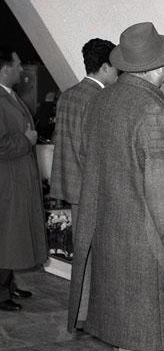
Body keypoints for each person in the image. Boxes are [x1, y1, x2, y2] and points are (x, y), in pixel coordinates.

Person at [67, 22, 164, 351]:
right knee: (158, 340)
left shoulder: (103, 101)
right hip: (151, 250)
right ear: (156, 66)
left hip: (115, 242)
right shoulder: (155, 111)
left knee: (133, 340)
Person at [0, 47, 48, 312]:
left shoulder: (10, 95)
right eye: (17, 65)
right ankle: (1, 292)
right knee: (7, 234)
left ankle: (8, 285)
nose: (21, 69)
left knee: (11, 235)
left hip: (17, 177)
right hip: (7, 180)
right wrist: (26, 140)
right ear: (5, 69)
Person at [50, 37, 118, 219]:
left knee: (80, 234)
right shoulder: (102, 98)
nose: (117, 73)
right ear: (105, 67)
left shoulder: (66, 95)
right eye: (115, 67)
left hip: (73, 186)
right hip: (96, 188)